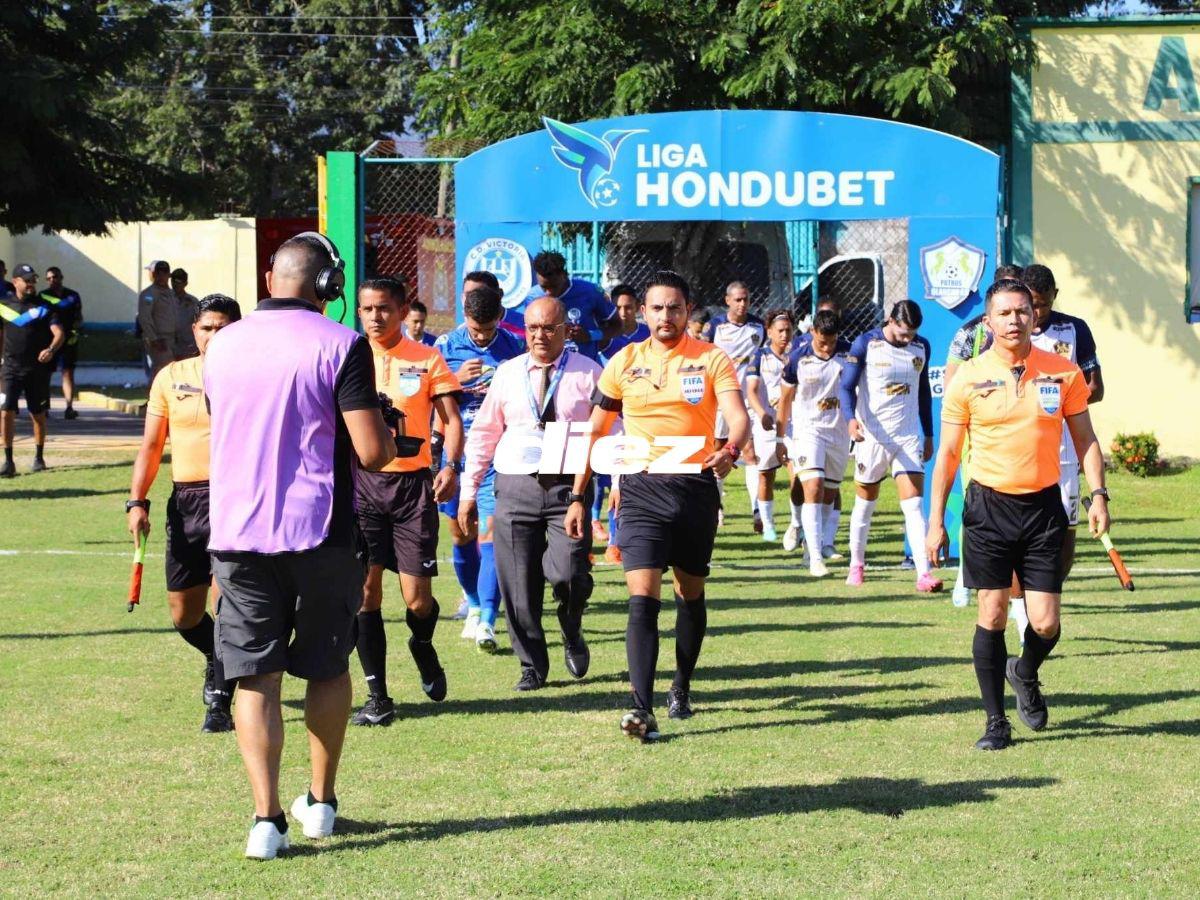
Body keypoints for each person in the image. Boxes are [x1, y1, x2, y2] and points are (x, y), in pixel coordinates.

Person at [203, 233, 397, 859]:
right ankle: (321, 802)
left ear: (270, 278)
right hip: (320, 531)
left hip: (237, 531)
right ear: (329, 286)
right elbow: (373, 452)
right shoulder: (341, 343)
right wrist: (387, 428)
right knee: (327, 666)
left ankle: (265, 820)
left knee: (254, 675)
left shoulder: (221, 343)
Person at [927, 278, 1109, 751]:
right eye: (1004, 313)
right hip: (988, 508)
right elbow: (948, 455)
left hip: (1044, 507)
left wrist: (1099, 496)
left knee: (1045, 623)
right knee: (991, 612)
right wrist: (935, 522)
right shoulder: (968, 376)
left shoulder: (1063, 372)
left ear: (1034, 316)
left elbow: (1086, 440)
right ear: (988, 322)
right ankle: (995, 722)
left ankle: (1024, 671)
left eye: (1022, 312)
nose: (1014, 321)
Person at [565, 270, 749, 741]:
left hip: (694, 489)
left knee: (690, 593)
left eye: (675, 308)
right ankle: (641, 708)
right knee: (642, 599)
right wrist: (579, 496)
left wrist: (729, 450)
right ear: (643, 313)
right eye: (657, 308)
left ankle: (681, 686)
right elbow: (596, 431)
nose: (666, 316)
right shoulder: (623, 362)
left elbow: (737, 417)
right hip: (640, 489)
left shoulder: (711, 359)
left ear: (688, 312)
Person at [462, 297, 601, 690]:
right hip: (514, 483)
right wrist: (469, 491)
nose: (540, 336)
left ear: (565, 331)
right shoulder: (508, 373)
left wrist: (619, 483)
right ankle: (531, 666)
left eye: (549, 328)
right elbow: (484, 433)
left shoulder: (589, 373)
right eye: (533, 328)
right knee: (518, 585)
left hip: (568, 487)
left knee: (569, 573)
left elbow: (610, 431)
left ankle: (571, 625)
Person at [349, 278, 463, 727]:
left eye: (383, 308)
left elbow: (451, 420)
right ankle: (378, 696)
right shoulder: (346, 356)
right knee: (365, 592)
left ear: (401, 311)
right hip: (361, 486)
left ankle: (422, 643)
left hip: (413, 488)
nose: (375, 317)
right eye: (367, 309)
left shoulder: (427, 357)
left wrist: (450, 465)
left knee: (417, 600)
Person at [128, 294, 242, 734]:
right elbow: (151, 446)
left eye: (223, 328)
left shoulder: (253, 375)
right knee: (184, 615)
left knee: (226, 602)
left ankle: (220, 702)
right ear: (194, 331)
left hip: (236, 499)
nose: (214, 336)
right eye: (206, 328)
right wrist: (137, 501)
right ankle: (217, 657)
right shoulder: (171, 376)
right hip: (186, 503)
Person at [435, 277, 526, 650]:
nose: (484, 337)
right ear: (465, 316)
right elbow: (425, 397)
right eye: (476, 330)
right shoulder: (445, 347)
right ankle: (473, 604)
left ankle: (487, 618)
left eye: (489, 330)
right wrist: (454, 381)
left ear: (499, 317)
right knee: (461, 533)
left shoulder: (514, 347)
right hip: (457, 453)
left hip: (498, 456)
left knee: (490, 533)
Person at [840, 300, 941, 592]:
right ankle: (857, 564)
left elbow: (923, 392)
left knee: (914, 505)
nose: (907, 338)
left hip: (907, 436)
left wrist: (928, 434)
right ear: (890, 321)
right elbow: (845, 387)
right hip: (872, 437)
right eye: (902, 332)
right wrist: (850, 420)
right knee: (865, 503)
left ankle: (923, 574)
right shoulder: (866, 344)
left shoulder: (921, 347)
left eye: (912, 333)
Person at [776, 309, 853, 576]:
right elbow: (785, 401)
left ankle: (813, 546)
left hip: (838, 432)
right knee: (814, 486)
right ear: (812, 333)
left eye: (832, 342)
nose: (827, 347)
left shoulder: (849, 354)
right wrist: (779, 438)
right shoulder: (798, 358)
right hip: (808, 430)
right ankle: (816, 558)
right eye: (822, 342)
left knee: (829, 494)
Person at [702, 281, 765, 530]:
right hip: (720, 399)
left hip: (747, 400)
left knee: (750, 452)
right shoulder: (715, 327)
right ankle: (717, 506)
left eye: (746, 299)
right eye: (737, 299)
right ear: (727, 300)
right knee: (718, 451)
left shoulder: (758, 327)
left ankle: (757, 511)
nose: (742, 304)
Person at [594, 283, 649, 559]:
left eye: (628, 307)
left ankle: (621, 539)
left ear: (638, 308)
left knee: (629, 478)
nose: (623, 312)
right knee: (606, 478)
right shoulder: (606, 339)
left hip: (640, 416)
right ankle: (601, 529)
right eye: (618, 307)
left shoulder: (649, 335)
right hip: (610, 415)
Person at [1, 265, 63, 477]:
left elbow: (59, 333)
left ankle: (38, 457)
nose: (31, 284)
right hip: (10, 369)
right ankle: (8, 461)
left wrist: (50, 349)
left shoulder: (44, 307)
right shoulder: (3, 306)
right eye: (27, 280)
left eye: (33, 280)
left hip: (37, 370)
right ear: (15, 281)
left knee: (37, 415)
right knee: (5, 412)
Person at [744, 309, 795, 542]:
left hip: (794, 425)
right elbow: (751, 391)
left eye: (788, 330)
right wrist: (762, 413)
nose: (785, 335)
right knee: (766, 476)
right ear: (769, 331)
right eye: (780, 330)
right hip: (767, 425)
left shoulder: (798, 355)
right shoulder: (759, 357)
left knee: (797, 473)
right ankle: (768, 526)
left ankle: (796, 524)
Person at [528, 251, 621, 362]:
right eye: (544, 287)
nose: (548, 293)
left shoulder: (590, 292)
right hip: (547, 366)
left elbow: (618, 325)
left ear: (564, 275)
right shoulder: (532, 297)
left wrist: (590, 335)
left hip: (585, 367)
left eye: (553, 286)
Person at [41, 267, 83, 419]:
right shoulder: (43, 296)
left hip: (69, 340)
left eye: (55, 277)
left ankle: (69, 407)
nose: (53, 280)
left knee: (68, 373)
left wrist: (76, 330)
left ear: (61, 277)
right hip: (49, 340)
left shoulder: (73, 295)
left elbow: (79, 317)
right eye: (49, 278)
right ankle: (44, 407)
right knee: (46, 374)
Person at [138, 260, 176, 381]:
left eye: (164, 273)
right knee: (161, 372)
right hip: (159, 339)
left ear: (169, 275)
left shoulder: (173, 294)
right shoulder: (148, 294)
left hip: (174, 339)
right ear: (154, 274)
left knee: (172, 373)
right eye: (158, 273)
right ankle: (152, 393)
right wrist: (154, 339)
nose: (161, 276)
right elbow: (145, 318)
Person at [170, 268, 201, 359]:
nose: (175, 284)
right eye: (173, 281)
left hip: (188, 347)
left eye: (178, 282)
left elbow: (199, 323)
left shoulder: (193, 302)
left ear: (185, 283)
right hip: (168, 347)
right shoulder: (164, 300)